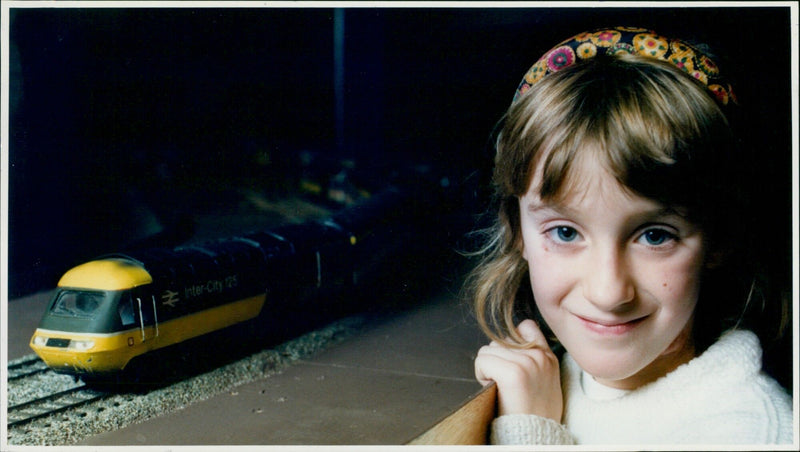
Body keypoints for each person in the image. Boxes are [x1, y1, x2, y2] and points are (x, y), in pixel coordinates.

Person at [469, 26, 794, 445]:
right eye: (565, 232)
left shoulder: (752, 433)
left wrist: (530, 435)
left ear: (720, 237)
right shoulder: (549, 382)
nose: (608, 293)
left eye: (655, 236)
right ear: (517, 231)